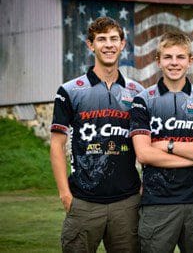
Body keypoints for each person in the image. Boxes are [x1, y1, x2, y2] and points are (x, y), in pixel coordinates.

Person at [50, 16, 144, 252]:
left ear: (123, 44)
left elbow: (148, 144)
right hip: (83, 201)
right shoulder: (70, 91)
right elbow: (57, 145)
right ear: (90, 45)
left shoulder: (138, 92)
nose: (109, 45)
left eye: (114, 39)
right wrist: (65, 193)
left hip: (127, 201)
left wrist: (143, 190)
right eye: (101, 39)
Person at [130, 31, 193, 253]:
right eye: (168, 57)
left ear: (190, 61)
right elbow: (144, 154)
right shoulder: (143, 100)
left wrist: (168, 146)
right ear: (158, 61)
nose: (174, 63)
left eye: (180, 57)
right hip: (157, 202)